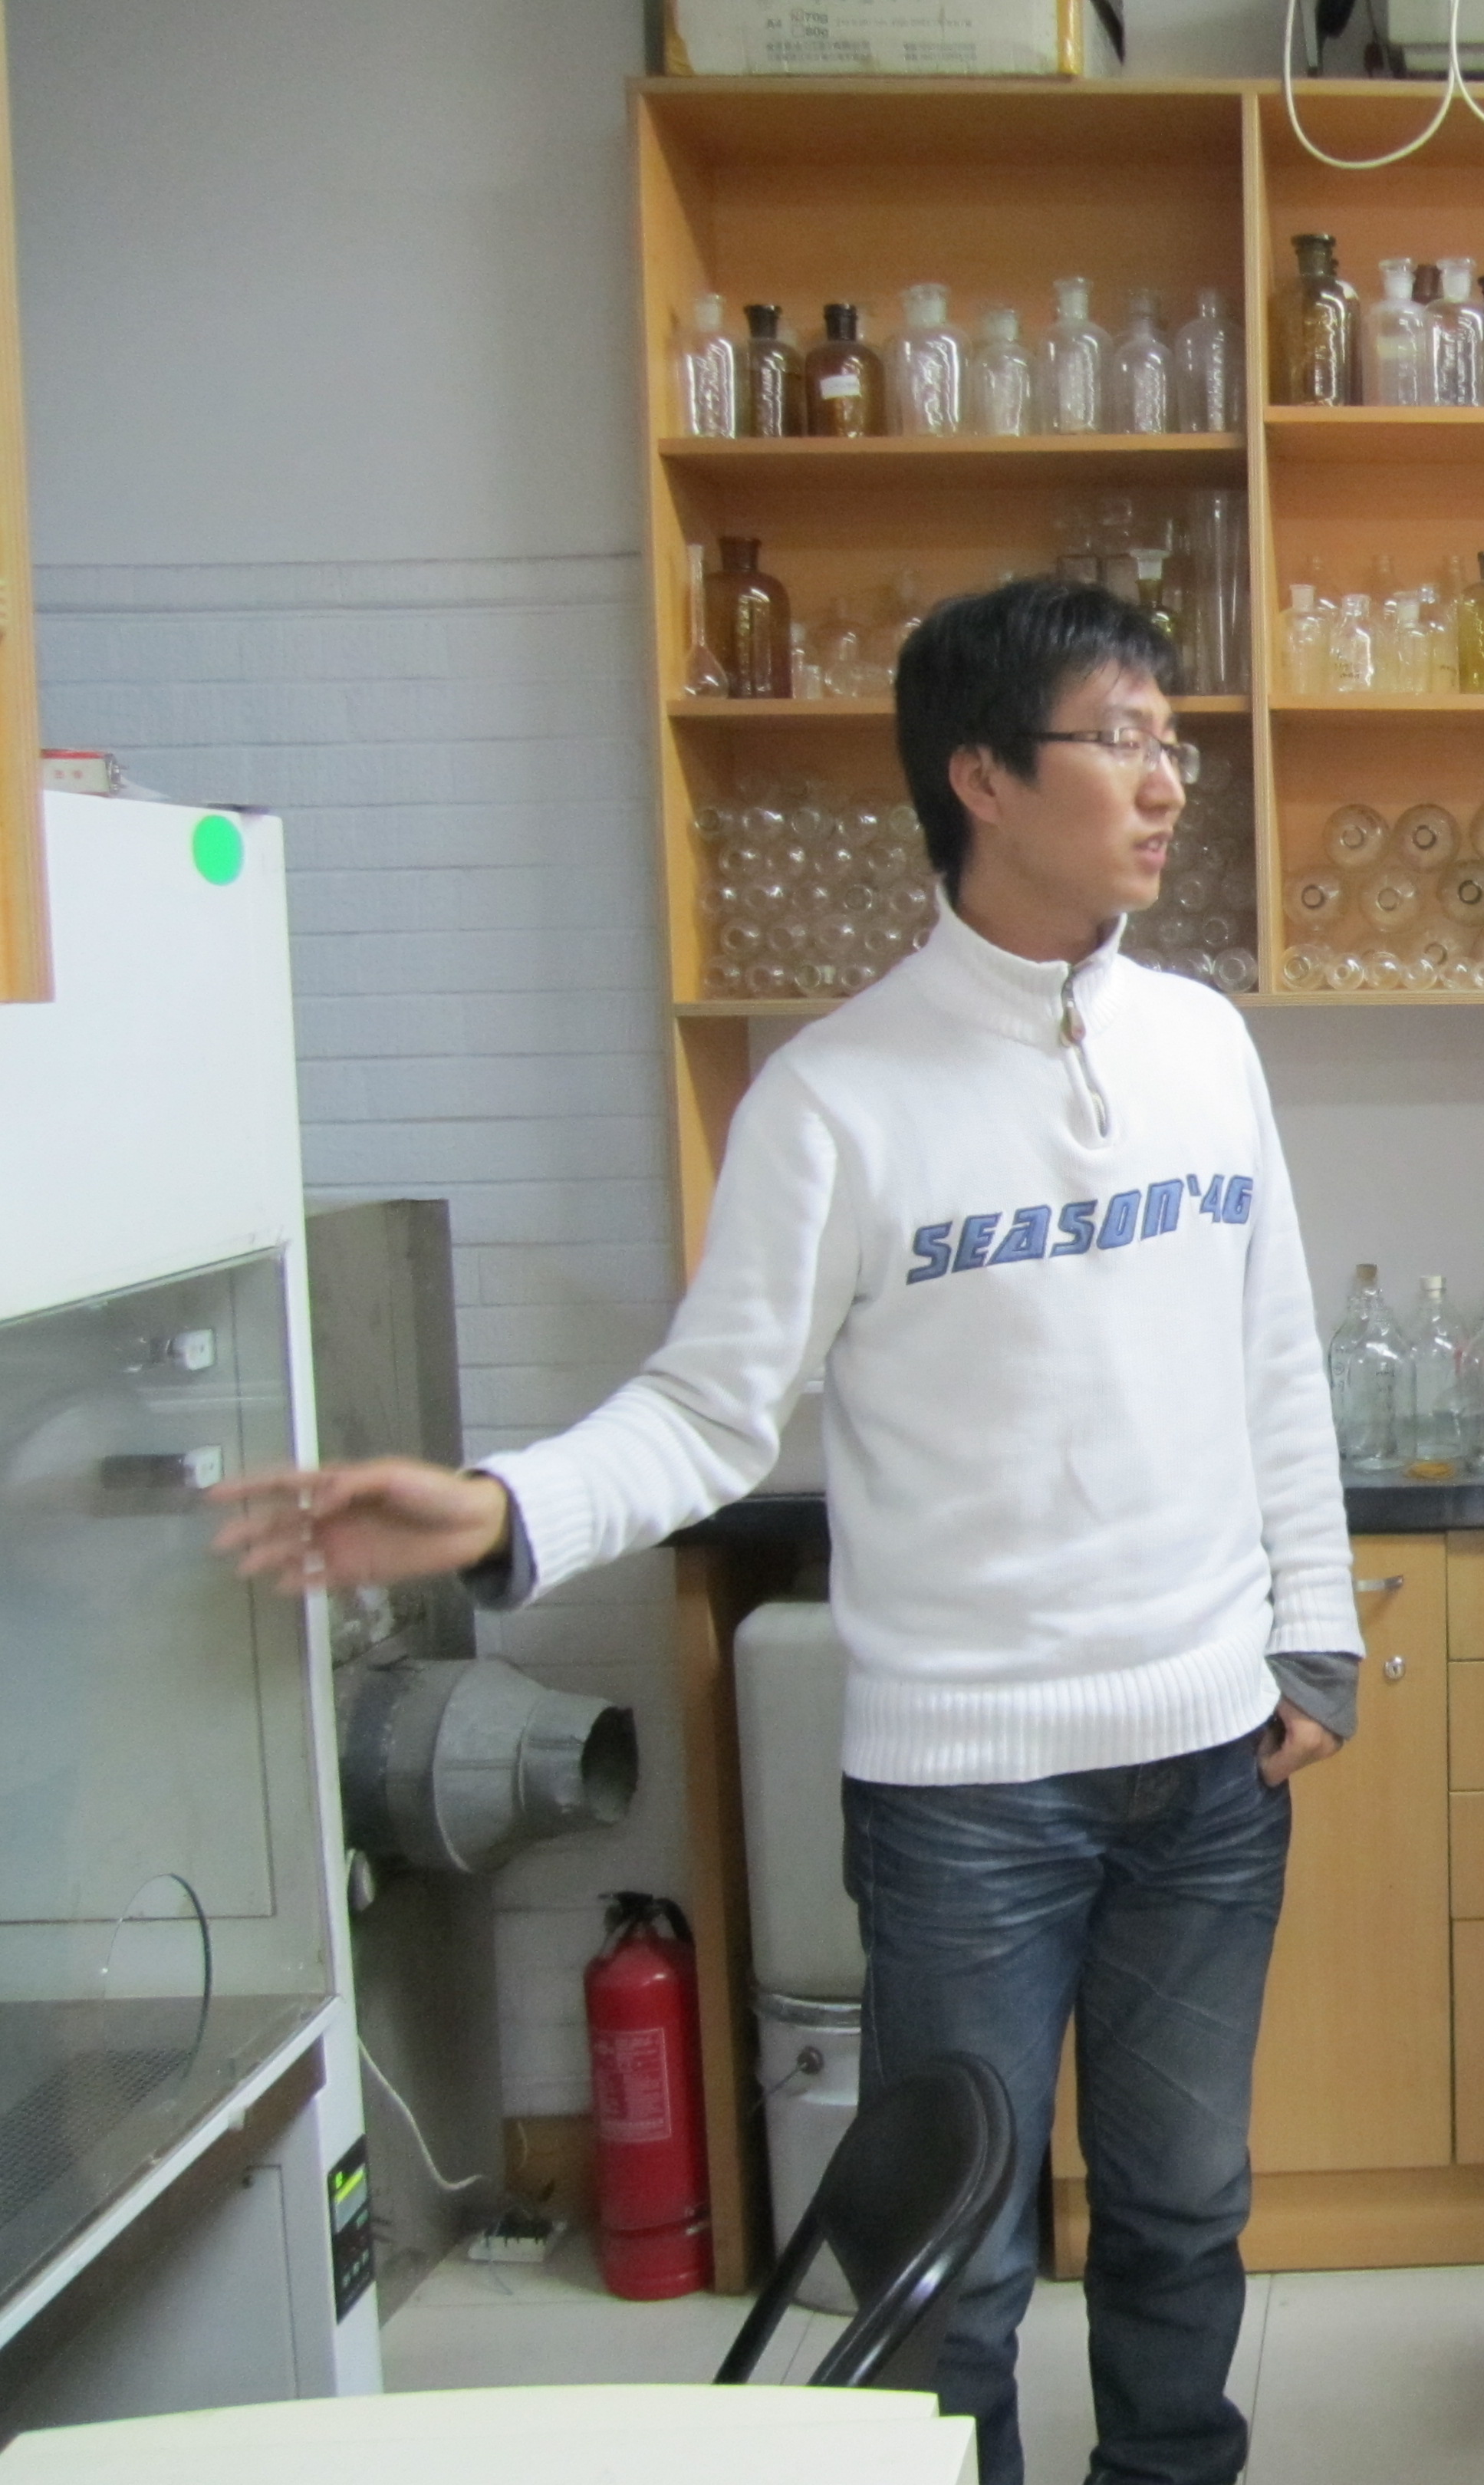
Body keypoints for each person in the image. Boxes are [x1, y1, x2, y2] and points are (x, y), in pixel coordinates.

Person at [210, 579, 1358, 2485]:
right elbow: (706, 1410)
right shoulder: (831, 1098)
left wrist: (1311, 1631)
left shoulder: (1203, 1046)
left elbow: (1275, 1357)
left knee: (1184, 2208)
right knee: (955, 2263)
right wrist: (501, 1503)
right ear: (982, 775)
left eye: (1175, 743)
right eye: (1123, 740)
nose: (1170, 782)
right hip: (969, 1790)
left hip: (1210, 1757)